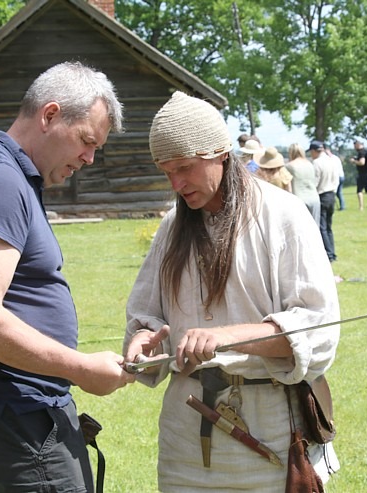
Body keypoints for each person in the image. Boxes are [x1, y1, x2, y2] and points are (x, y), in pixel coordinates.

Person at [0, 61, 135, 493]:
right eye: (86, 141)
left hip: (21, 410)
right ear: (49, 115)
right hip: (15, 414)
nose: (89, 158)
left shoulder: (8, 176)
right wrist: (81, 368)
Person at [123, 91, 340, 492]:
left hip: (270, 432)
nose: (176, 183)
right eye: (166, 170)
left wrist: (227, 337)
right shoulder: (173, 227)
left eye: (185, 167)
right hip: (186, 435)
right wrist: (143, 339)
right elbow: (146, 313)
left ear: (221, 152)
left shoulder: (283, 216)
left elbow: (318, 328)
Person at [285, 143, 320, 224]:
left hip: (299, 199)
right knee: (315, 229)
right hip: (314, 198)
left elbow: (288, 186)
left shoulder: (289, 166)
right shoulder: (310, 164)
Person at [317, 143, 341, 262]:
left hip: (322, 194)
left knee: (322, 227)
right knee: (329, 226)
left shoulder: (317, 163)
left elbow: (316, 180)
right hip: (332, 193)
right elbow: (337, 179)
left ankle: (329, 253)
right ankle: (332, 251)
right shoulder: (332, 161)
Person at [350, 140, 367, 210]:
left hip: (362, 173)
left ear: (358, 144)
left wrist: (354, 161)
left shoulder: (361, 152)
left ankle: (361, 207)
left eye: (355, 145)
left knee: (359, 191)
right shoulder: (366, 151)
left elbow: (362, 162)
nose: (354, 147)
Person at [329, 146, 345, 211]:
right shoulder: (336, 158)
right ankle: (342, 206)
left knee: (334, 192)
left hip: (337, 176)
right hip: (341, 176)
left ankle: (340, 206)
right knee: (339, 192)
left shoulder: (331, 159)